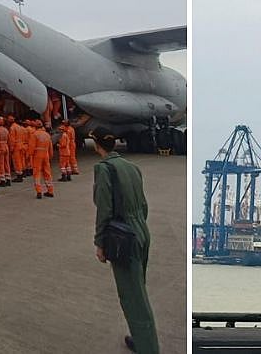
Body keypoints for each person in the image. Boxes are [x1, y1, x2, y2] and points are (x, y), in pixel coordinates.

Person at [91, 130, 157, 353]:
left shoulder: (104, 169)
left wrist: (100, 242)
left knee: (132, 296)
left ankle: (147, 347)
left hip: (123, 235)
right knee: (138, 288)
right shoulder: (132, 167)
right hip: (141, 231)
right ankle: (141, 337)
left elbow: (104, 209)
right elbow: (144, 205)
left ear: (97, 145)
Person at [30, 123, 54, 199]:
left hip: (37, 155)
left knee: (37, 173)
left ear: (36, 127)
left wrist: (29, 155)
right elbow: (50, 148)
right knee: (47, 172)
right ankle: (50, 191)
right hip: (46, 155)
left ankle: (39, 191)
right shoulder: (47, 135)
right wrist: (50, 156)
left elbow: (31, 147)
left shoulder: (34, 135)